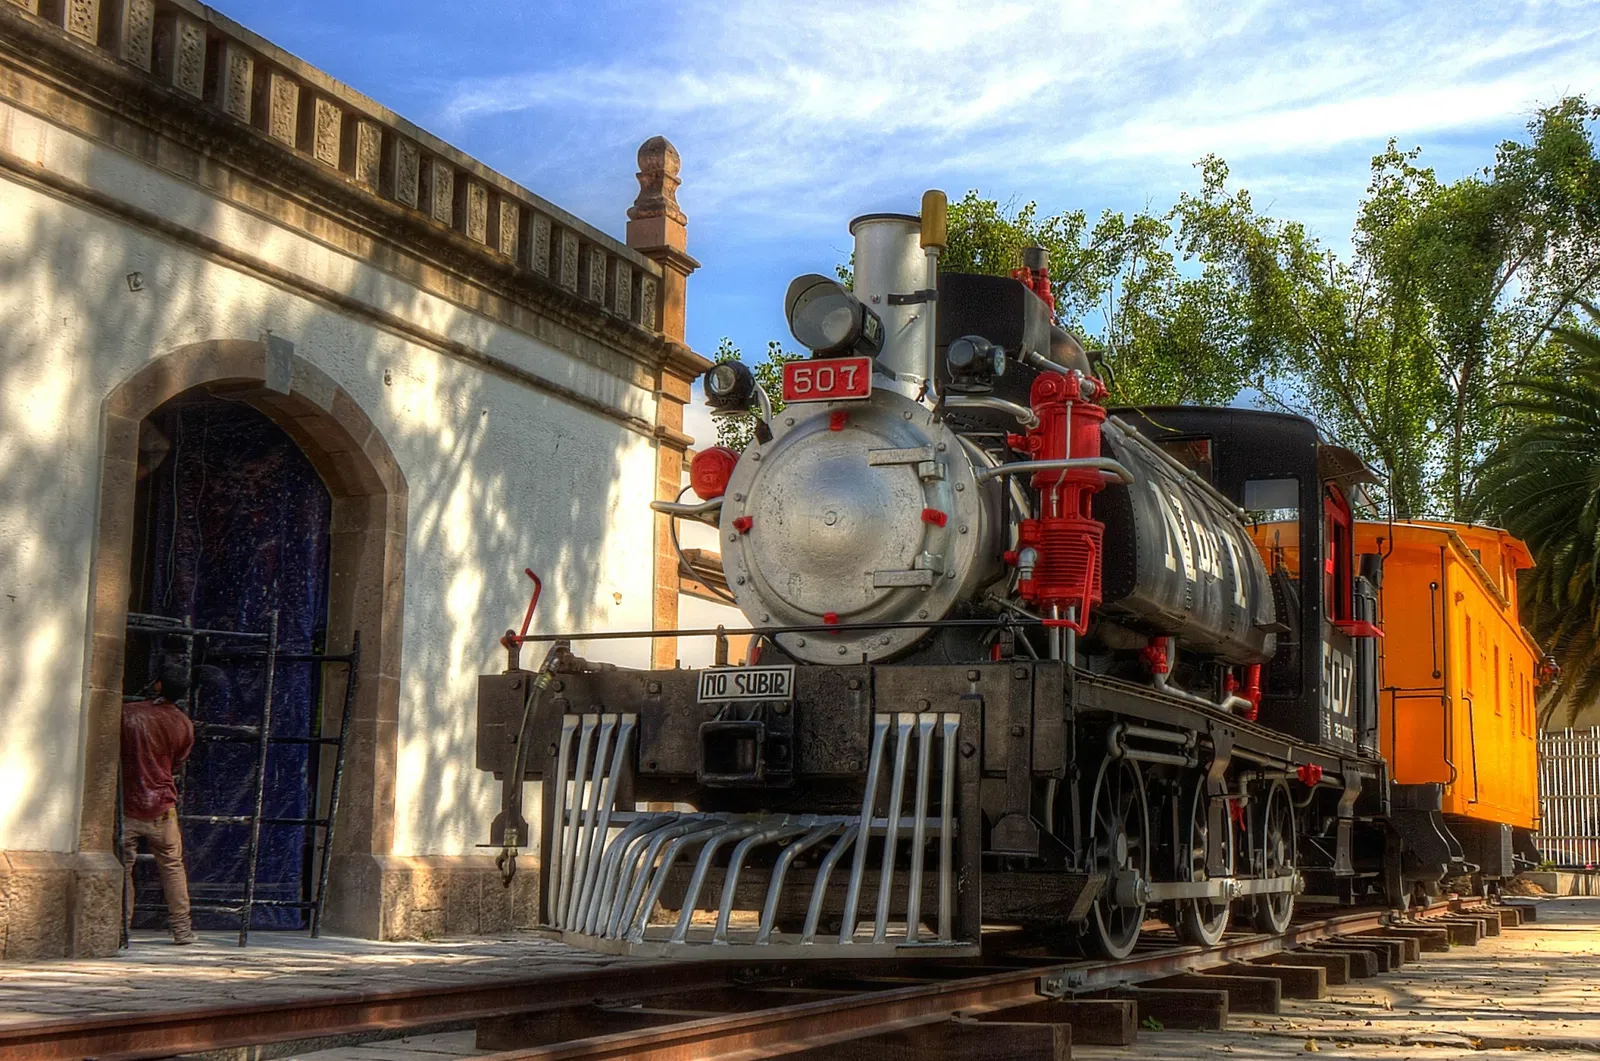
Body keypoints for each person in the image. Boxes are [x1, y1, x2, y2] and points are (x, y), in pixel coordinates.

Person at [120, 661, 197, 945]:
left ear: (158, 685)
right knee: (173, 866)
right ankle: (182, 930)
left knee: (123, 869)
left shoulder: (128, 714)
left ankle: (120, 929)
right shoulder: (184, 725)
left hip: (128, 805)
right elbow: (177, 763)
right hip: (163, 807)